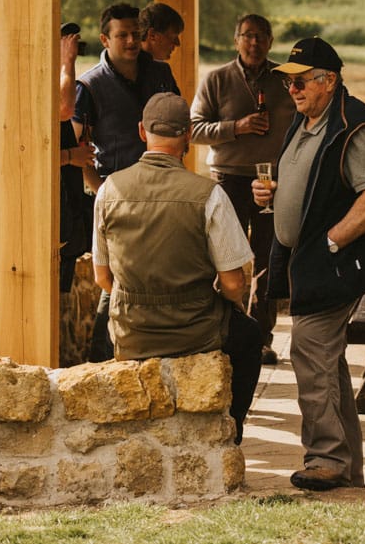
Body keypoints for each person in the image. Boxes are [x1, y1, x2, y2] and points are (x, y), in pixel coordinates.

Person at [253, 36, 365, 493]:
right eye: (288, 82)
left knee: (310, 351)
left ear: (329, 81)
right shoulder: (306, 120)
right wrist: (277, 197)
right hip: (306, 259)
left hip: (332, 264)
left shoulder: (356, 126)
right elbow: (311, 185)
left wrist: (332, 241)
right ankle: (347, 469)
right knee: (327, 366)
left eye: (300, 82)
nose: (291, 90)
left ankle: (326, 460)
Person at [92, 93, 263, 441]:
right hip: (196, 328)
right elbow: (233, 283)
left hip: (132, 330)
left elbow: (103, 278)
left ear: (142, 131)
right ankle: (233, 429)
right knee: (250, 336)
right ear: (188, 135)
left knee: (100, 325)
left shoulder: (109, 189)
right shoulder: (209, 194)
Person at [0, 11, 98, 289]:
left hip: (23, 215)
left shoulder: (1, 77)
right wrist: (66, 63)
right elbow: (29, 150)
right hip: (23, 218)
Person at [191, 12, 294, 363]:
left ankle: (261, 338)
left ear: (270, 42)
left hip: (273, 182)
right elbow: (194, 130)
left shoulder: (284, 80)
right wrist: (237, 127)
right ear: (236, 40)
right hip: (228, 178)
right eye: (248, 36)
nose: (254, 42)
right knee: (225, 256)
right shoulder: (217, 79)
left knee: (269, 261)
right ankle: (223, 333)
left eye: (261, 36)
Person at [75, 1, 181, 180]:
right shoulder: (88, 86)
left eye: (135, 34)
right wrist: (103, 194)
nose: (131, 41)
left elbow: (179, 126)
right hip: (115, 191)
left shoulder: (162, 73)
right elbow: (79, 153)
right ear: (104, 40)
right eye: (122, 35)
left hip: (163, 184)